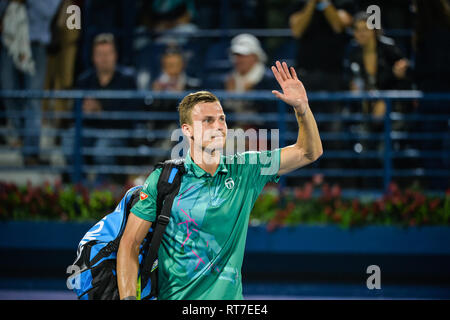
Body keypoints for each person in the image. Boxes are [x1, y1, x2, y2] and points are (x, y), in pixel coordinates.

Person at [116, 61, 323, 300]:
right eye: (208, 121)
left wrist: (302, 110)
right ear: (187, 130)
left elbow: (309, 152)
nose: (219, 127)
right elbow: (129, 244)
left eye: (222, 119)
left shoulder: (247, 168)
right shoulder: (163, 180)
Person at [1, 0, 61, 164]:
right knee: (8, 91)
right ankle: (21, 136)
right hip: (10, 42)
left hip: (36, 45)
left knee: (33, 99)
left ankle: (31, 152)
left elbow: (49, 10)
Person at [73, 33, 138, 181]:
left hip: (117, 132)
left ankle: (101, 188)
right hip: (90, 130)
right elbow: (74, 113)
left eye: (108, 53)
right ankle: (78, 185)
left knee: (102, 148)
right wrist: (83, 110)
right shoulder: (84, 80)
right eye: (100, 54)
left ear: (115, 55)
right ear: (93, 58)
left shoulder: (127, 79)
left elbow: (130, 114)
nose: (104, 58)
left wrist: (100, 110)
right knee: (69, 140)